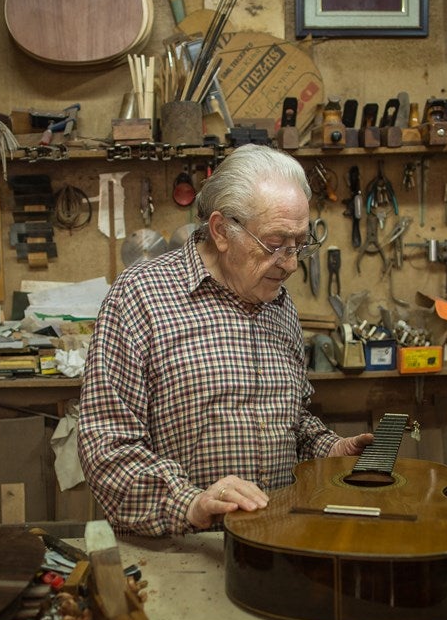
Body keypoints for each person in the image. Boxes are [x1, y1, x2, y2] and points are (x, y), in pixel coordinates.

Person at [78, 144, 373, 537]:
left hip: (274, 546)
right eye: (274, 243)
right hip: (179, 555)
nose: (289, 264)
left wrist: (330, 450)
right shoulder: (141, 297)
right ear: (220, 231)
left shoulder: (277, 302)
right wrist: (190, 503)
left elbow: (290, 421)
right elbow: (106, 447)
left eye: (299, 244)